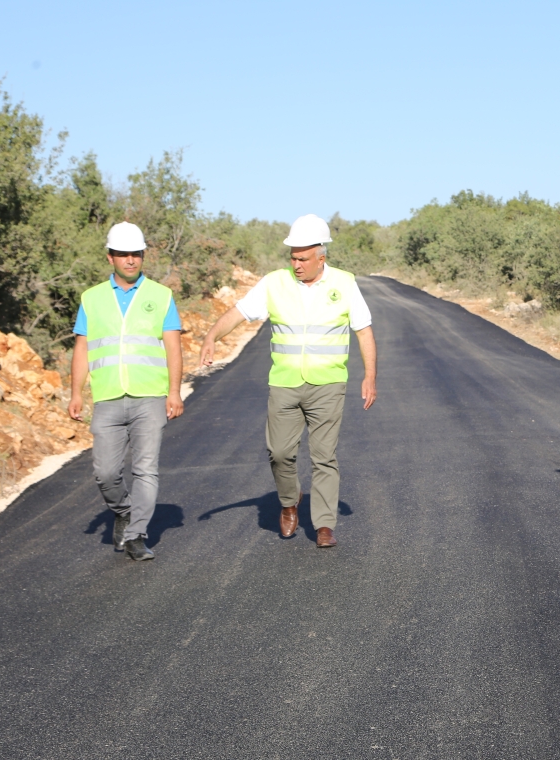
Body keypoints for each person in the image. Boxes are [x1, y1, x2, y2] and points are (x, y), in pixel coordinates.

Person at [199, 213, 376, 548]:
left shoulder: (344, 283)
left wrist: (370, 376)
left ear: (321, 257)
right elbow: (238, 312)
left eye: (303, 258)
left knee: (324, 455)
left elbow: (363, 330)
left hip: (328, 383)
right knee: (279, 452)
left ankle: (323, 525)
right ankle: (289, 500)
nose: (296, 264)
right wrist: (212, 335)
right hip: (284, 383)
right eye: (293, 257)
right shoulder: (274, 283)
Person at [68, 221, 184, 561]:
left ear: (143, 255)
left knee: (145, 469)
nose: (130, 260)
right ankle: (123, 510)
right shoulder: (91, 299)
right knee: (105, 472)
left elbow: (174, 347)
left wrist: (174, 392)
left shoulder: (161, 296)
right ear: (110, 258)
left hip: (149, 396)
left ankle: (136, 536)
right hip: (107, 396)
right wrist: (76, 392)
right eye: (123, 255)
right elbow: (82, 348)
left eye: (136, 254)